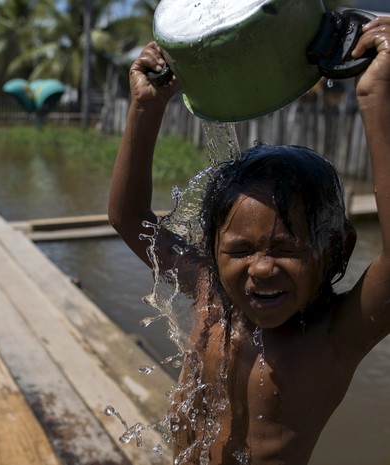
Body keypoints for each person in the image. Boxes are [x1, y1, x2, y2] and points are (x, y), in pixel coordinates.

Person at [108, 17, 390, 465]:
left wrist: (376, 97)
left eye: (286, 248)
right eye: (239, 250)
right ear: (213, 249)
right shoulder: (209, 293)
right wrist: (146, 107)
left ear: (338, 248)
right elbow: (129, 218)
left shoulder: (335, 337)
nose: (260, 268)